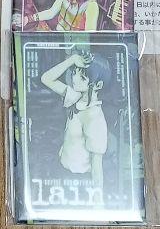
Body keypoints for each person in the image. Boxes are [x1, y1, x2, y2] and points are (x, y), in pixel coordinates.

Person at [40, 48, 112, 193]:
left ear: (98, 85)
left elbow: (97, 166)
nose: (75, 79)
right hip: (61, 169)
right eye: (74, 73)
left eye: (82, 77)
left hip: (79, 181)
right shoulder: (75, 97)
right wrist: (72, 60)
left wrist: (97, 198)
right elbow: (46, 79)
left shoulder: (95, 118)